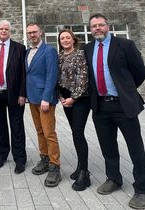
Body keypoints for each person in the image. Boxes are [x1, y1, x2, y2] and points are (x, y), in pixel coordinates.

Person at [84, 13, 145, 208]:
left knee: (135, 147)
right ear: (90, 29)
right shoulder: (88, 49)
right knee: (108, 147)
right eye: (94, 26)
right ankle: (113, 179)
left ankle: (143, 189)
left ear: (108, 26)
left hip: (123, 105)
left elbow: (140, 72)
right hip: (100, 106)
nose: (97, 28)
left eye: (101, 25)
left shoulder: (125, 45)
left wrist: (126, 91)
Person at [0, 20, 27, 174]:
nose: (3, 31)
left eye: (6, 29)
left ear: (10, 31)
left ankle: (20, 159)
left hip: (14, 94)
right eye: (1, 29)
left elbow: (23, 73)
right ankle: (2, 154)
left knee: (17, 127)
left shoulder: (20, 48)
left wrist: (23, 93)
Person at [25, 23, 61, 187]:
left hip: (45, 99)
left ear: (41, 33)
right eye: (29, 33)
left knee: (49, 132)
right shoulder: (27, 52)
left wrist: (47, 97)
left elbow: (52, 75)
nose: (32, 35)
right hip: (32, 98)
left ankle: (55, 166)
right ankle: (44, 158)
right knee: (39, 131)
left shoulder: (49, 50)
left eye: (34, 32)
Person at [57, 29, 91, 191]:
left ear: (73, 39)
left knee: (78, 132)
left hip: (80, 99)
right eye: (62, 38)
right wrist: (60, 97)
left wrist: (73, 98)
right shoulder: (59, 56)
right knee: (74, 132)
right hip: (65, 98)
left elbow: (83, 79)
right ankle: (80, 166)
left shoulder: (80, 55)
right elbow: (56, 78)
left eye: (67, 37)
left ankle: (84, 172)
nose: (65, 40)